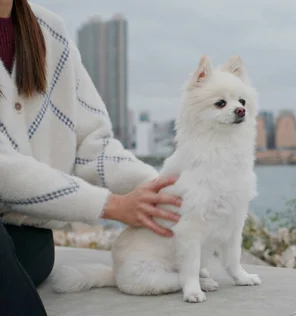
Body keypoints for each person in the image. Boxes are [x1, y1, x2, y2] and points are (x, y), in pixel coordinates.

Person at [0, 1, 183, 315]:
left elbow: (92, 145)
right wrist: (111, 205)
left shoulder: (50, 32)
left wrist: (159, 190)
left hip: (28, 241)